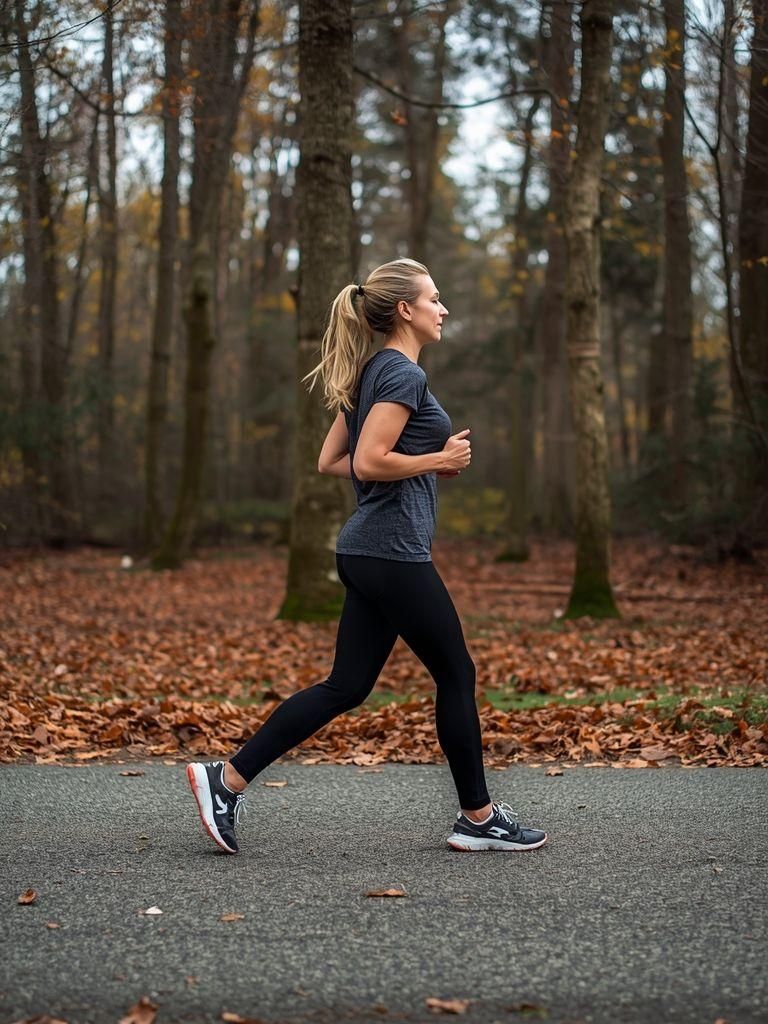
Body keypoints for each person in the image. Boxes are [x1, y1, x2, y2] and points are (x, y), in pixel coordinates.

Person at [186, 258, 547, 856]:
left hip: (365, 549)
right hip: (392, 551)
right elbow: (367, 462)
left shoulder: (370, 373)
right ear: (405, 310)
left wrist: (414, 462)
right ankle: (478, 818)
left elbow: (332, 461)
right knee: (457, 674)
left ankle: (226, 782)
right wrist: (437, 461)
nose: (443, 308)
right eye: (435, 298)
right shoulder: (400, 376)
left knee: (347, 685)